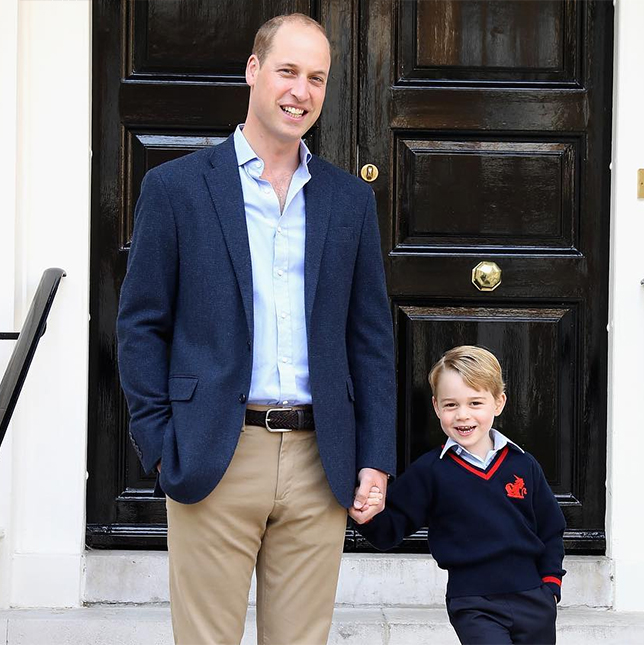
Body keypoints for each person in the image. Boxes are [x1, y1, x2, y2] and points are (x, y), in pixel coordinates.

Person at [116, 13, 395, 645]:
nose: (301, 91)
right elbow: (140, 325)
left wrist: (375, 457)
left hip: (319, 459)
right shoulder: (177, 188)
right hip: (215, 449)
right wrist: (160, 444)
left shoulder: (348, 200)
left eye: (317, 78)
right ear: (254, 71)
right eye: (288, 71)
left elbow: (370, 339)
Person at [351, 346, 565, 645]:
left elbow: (551, 529)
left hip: (533, 600)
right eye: (451, 405)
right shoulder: (430, 471)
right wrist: (365, 514)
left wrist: (550, 586)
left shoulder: (523, 464)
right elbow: (389, 530)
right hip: (473, 603)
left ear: (498, 403)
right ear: (437, 407)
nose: (463, 415)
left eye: (475, 402)